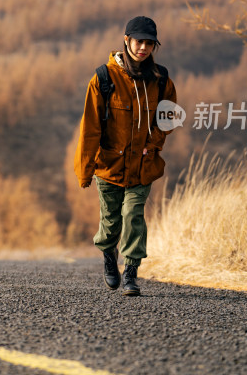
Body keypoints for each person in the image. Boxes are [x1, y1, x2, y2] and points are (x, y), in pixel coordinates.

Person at [74, 16, 177, 296]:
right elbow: (90, 128)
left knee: (133, 215)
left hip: (143, 165)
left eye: (149, 43)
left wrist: (153, 144)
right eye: (139, 41)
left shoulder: (161, 79)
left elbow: (168, 117)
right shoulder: (103, 78)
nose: (143, 48)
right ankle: (109, 253)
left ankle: (131, 272)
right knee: (110, 223)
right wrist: (84, 169)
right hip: (109, 165)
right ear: (126, 40)